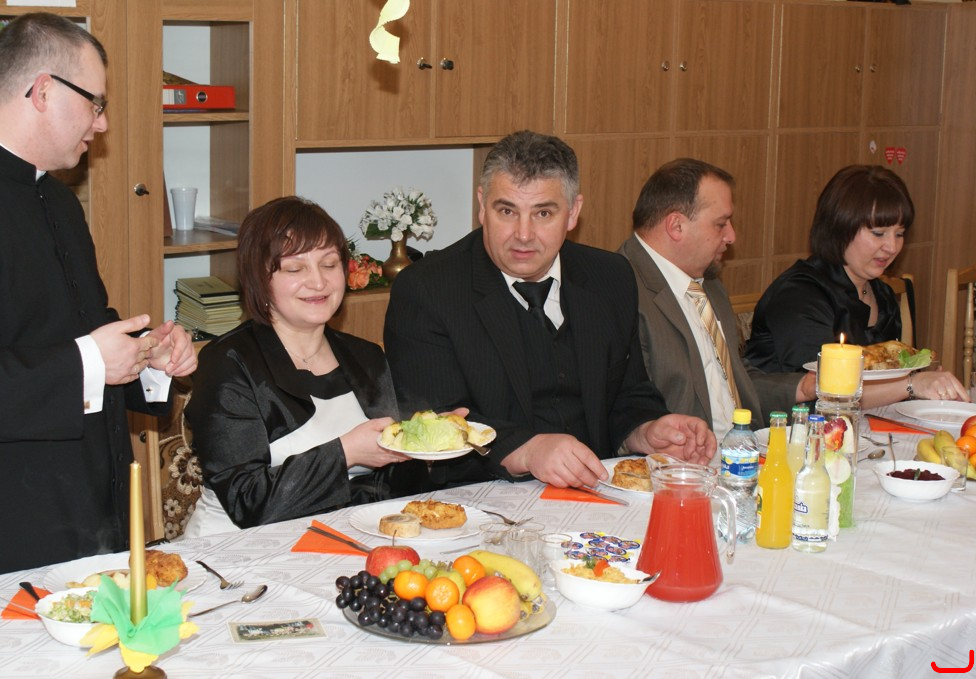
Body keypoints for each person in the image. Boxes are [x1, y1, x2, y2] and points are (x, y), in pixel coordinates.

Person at [0, 13, 196, 582]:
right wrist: (91, 360)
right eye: (95, 102)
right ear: (42, 91)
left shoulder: (60, 201)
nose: (102, 123)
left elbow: (85, 334)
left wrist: (146, 357)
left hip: (95, 514)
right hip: (3, 530)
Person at [384, 131, 715, 491]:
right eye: (507, 211)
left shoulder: (610, 277)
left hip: (596, 492)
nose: (523, 234)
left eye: (543, 213)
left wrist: (647, 429)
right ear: (481, 205)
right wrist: (527, 450)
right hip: (480, 496)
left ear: (573, 212)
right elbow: (437, 422)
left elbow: (627, 392)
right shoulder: (427, 290)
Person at [183, 197, 413, 537]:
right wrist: (345, 453)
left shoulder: (366, 357)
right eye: (295, 269)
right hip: (235, 548)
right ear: (258, 278)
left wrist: (428, 445)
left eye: (329, 264)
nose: (318, 282)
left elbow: (385, 483)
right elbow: (248, 500)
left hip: (336, 539)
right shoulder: (228, 363)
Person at [618, 159, 815, 435]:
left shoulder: (709, 285)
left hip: (743, 448)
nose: (731, 236)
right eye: (721, 224)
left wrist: (802, 387)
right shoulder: (620, 290)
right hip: (682, 455)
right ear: (676, 226)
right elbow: (628, 409)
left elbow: (732, 382)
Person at [745, 165, 966, 405]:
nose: (892, 247)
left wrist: (926, 382)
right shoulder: (799, 295)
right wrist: (912, 385)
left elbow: (888, 381)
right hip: (786, 425)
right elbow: (826, 391)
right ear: (840, 229)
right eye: (879, 233)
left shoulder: (881, 293)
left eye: (899, 234)